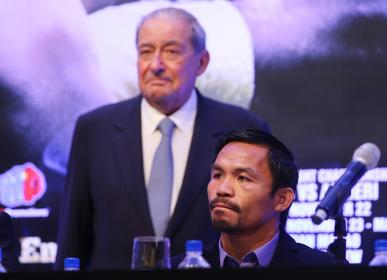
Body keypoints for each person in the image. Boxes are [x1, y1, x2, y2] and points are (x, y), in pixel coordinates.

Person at [54, 7, 269, 270]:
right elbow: (73, 237)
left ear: (201, 62)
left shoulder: (243, 130)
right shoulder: (95, 130)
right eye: (146, 52)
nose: (155, 65)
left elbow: (263, 234)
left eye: (171, 51)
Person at [173, 128, 335, 268]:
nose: (222, 189)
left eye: (243, 178)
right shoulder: (178, 268)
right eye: (217, 175)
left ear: (282, 199)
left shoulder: (322, 268)